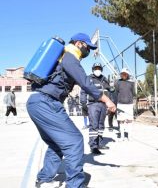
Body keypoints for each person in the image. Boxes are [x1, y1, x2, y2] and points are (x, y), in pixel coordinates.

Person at [26, 33, 116, 188]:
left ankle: (44, 179)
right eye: (88, 47)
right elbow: (85, 83)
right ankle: (75, 185)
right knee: (74, 141)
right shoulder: (70, 57)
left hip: (36, 102)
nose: (88, 51)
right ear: (79, 44)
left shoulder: (61, 58)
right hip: (46, 102)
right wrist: (107, 100)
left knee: (56, 144)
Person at [80, 63, 112, 154]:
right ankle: (93, 146)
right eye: (96, 68)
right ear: (93, 69)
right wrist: (83, 103)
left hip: (103, 104)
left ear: (101, 69)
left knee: (101, 125)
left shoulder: (104, 79)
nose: (97, 70)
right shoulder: (89, 79)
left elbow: (109, 91)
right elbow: (83, 91)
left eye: (99, 68)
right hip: (93, 104)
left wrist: (110, 102)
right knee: (94, 125)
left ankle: (100, 143)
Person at [115, 68, 135, 141]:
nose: (123, 75)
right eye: (122, 73)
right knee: (121, 120)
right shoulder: (118, 82)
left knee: (129, 120)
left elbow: (133, 93)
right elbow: (116, 92)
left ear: (127, 75)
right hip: (120, 104)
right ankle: (122, 136)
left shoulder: (131, 83)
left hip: (129, 104)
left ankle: (129, 136)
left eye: (125, 73)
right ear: (121, 74)